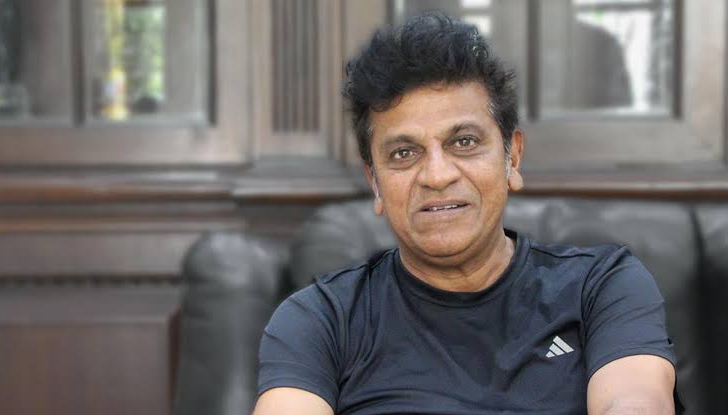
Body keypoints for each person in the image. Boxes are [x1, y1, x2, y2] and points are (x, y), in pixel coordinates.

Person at [253, 14, 679, 415]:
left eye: (464, 142)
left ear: (512, 157)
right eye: (404, 153)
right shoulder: (321, 320)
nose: (437, 175)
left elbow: (634, 402)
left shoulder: (601, 285)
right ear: (376, 183)